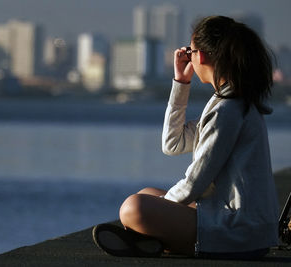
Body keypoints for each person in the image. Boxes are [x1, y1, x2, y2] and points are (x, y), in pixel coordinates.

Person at [93, 15, 279, 259]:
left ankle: (152, 240)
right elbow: (173, 143)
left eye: (190, 51)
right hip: (244, 227)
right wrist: (181, 82)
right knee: (147, 195)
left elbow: (194, 183)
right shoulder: (230, 101)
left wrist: (162, 209)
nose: (189, 56)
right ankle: (153, 241)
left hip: (239, 233)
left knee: (133, 208)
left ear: (200, 56)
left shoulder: (228, 108)